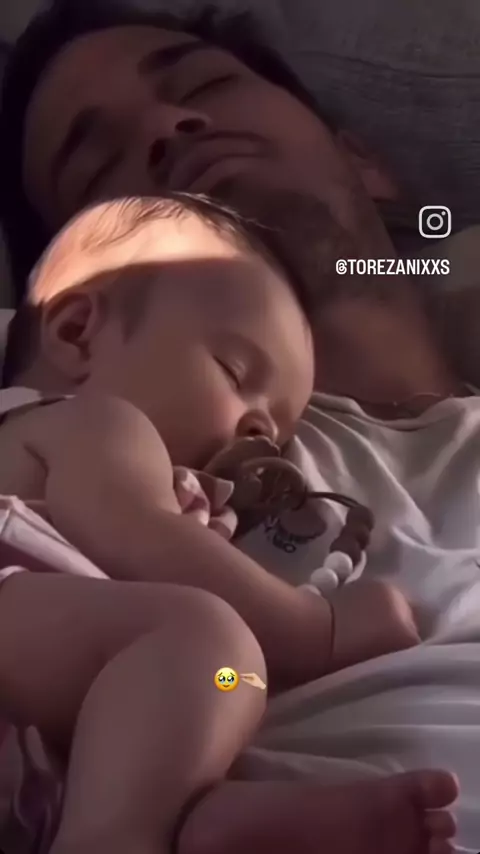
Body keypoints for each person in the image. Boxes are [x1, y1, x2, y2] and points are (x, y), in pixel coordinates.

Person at [0, 2, 479, 850]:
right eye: (99, 166)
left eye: (203, 86)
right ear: (75, 318)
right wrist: (316, 632)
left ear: (364, 160)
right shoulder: (94, 422)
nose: (166, 128)